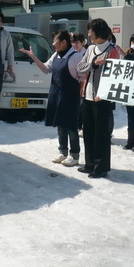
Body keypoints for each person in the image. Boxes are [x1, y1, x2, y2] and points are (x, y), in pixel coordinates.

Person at [20, 30, 84, 167]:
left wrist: (78, 95)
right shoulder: (56, 55)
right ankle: (63, 152)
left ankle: (75, 155)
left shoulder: (76, 57)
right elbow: (45, 69)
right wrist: (33, 57)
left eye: (55, 40)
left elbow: (83, 78)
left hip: (70, 96)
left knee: (71, 127)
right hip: (57, 95)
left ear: (64, 42)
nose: (53, 44)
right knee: (60, 125)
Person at [77, 19, 119, 178]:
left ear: (98, 32)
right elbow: (81, 67)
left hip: (102, 98)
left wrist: (106, 94)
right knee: (88, 132)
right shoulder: (91, 49)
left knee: (101, 134)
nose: (89, 34)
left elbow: (116, 76)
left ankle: (101, 167)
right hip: (87, 96)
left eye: (91, 31)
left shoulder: (112, 50)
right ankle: (89, 164)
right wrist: (94, 63)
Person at [72, 33, 87, 135]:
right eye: (73, 42)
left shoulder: (86, 54)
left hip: (84, 82)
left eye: (77, 42)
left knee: (82, 106)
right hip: (74, 82)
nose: (75, 45)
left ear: (83, 43)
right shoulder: (72, 53)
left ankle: (80, 126)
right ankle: (76, 125)